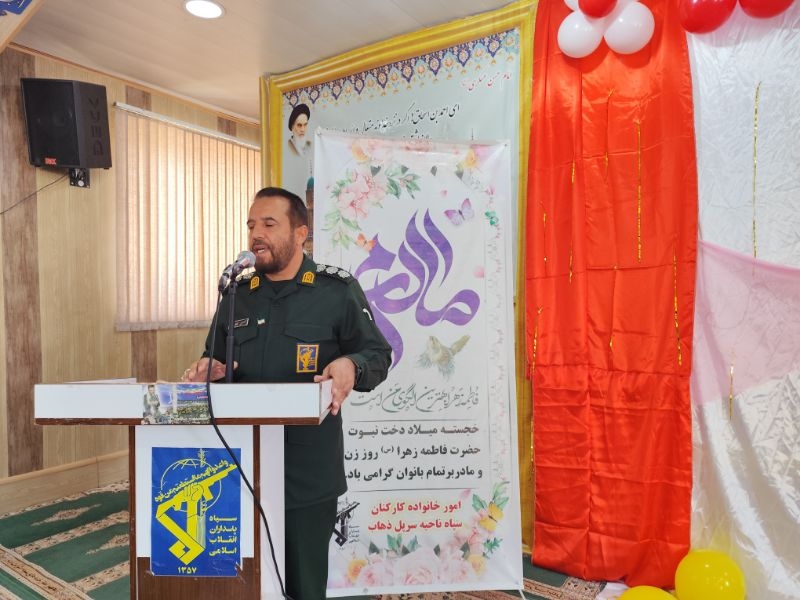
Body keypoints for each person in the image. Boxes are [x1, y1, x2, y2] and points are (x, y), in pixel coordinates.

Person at [182, 186, 392, 600]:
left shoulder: (335, 290)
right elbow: (214, 356)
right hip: (238, 468)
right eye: (251, 225)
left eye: (269, 224)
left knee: (301, 586)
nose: (256, 234)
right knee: (240, 582)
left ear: (300, 234)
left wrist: (351, 366)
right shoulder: (237, 294)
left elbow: (377, 355)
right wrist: (209, 369)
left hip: (305, 474)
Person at [284, 103, 314, 198]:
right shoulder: (289, 147)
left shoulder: (309, 145)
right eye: (299, 125)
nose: (302, 129)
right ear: (292, 127)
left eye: (305, 125)